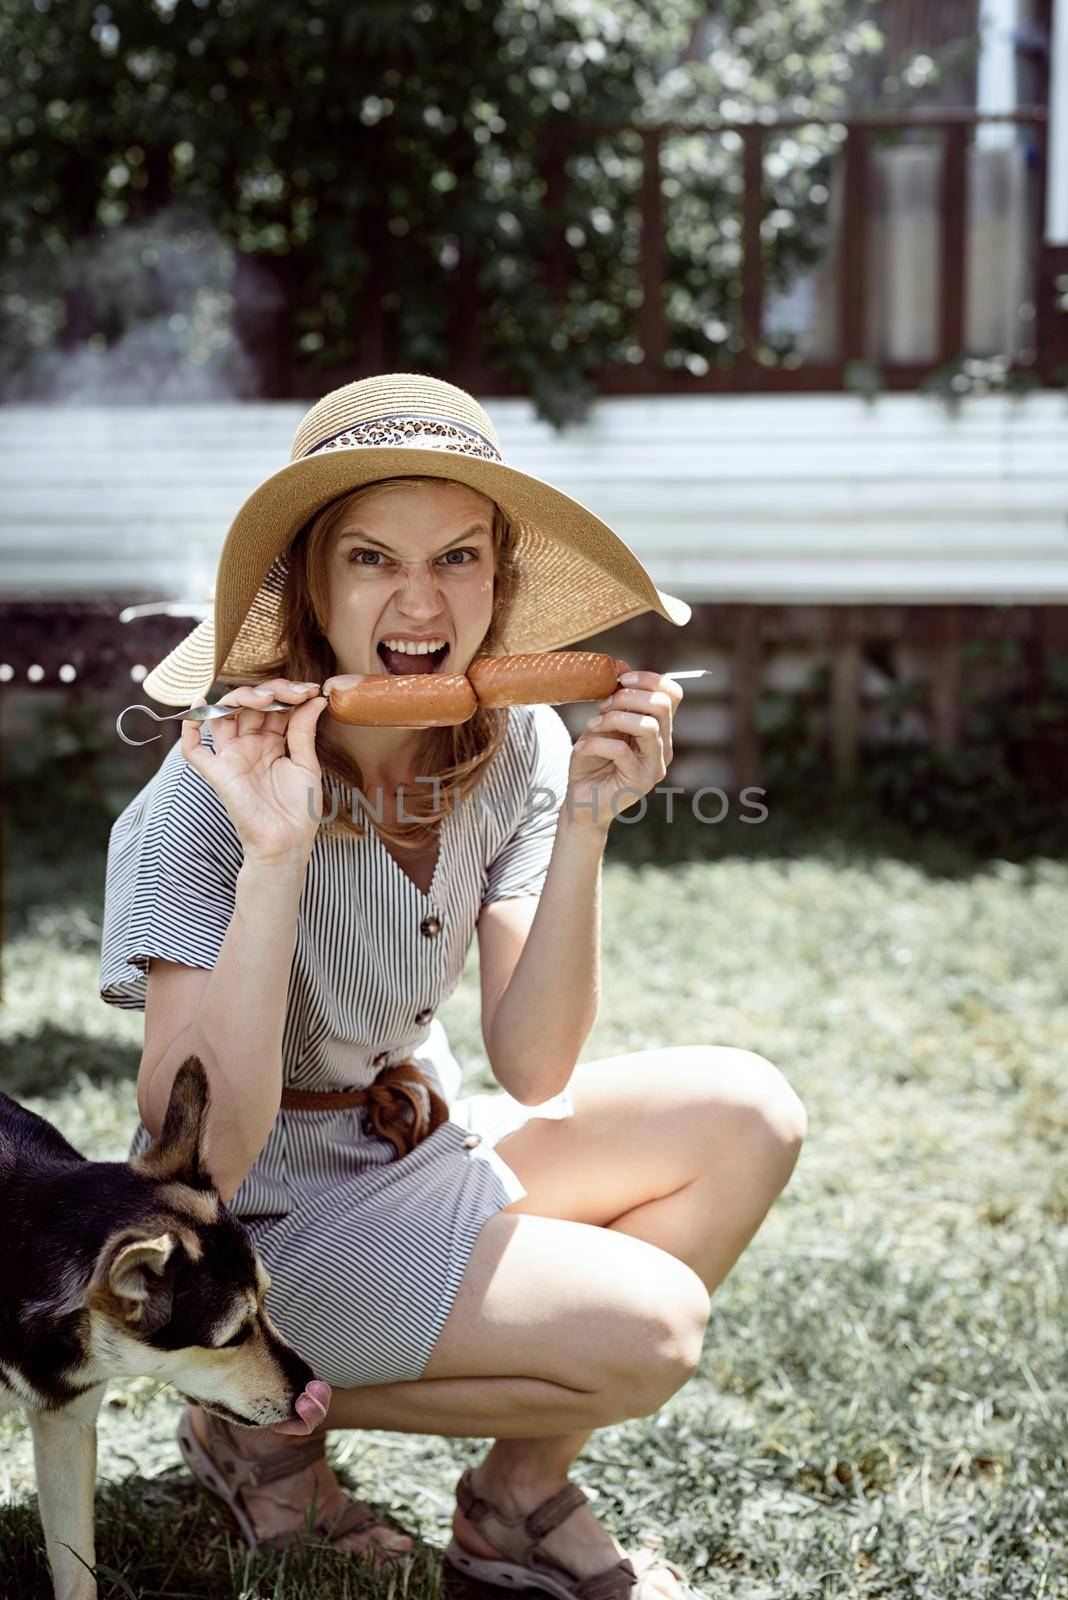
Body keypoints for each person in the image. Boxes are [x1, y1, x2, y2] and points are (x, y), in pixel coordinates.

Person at [100, 373, 807, 1599]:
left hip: (421, 1144)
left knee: (748, 1113)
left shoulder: (518, 745)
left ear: (501, 578)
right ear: (312, 585)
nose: (421, 602)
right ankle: (247, 1409)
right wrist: (276, 851)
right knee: (652, 1332)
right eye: (372, 558)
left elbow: (534, 1062)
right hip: (267, 1232)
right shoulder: (199, 805)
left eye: (459, 558)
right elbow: (195, 1161)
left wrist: (584, 822)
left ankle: (515, 1500)